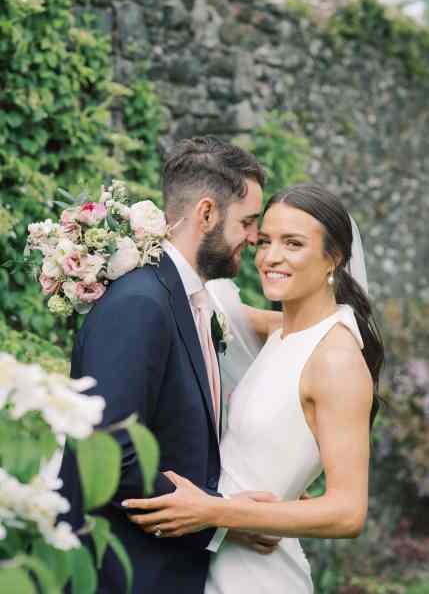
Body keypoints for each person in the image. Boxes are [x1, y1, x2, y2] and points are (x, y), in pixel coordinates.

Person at [122, 183, 385, 594]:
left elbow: (347, 512)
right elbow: (191, 299)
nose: (270, 257)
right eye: (264, 241)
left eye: (293, 243)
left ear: (333, 258)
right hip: (212, 558)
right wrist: (95, 256)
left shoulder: (336, 359)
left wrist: (215, 511)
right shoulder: (282, 330)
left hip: (259, 575)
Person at [59, 136, 282, 594]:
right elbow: (110, 455)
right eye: (248, 222)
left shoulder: (189, 301)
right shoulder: (141, 304)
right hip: (124, 574)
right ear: (206, 214)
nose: (255, 237)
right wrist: (221, 518)